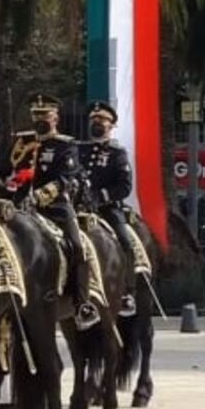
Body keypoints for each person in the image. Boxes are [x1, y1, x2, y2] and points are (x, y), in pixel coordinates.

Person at [15, 93, 99, 327]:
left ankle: (81, 303)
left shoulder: (65, 145)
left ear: (55, 117)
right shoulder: (22, 143)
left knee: (77, 247)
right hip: (20, 208)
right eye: (36, 115)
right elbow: (8, 169)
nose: (40, 119)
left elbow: (66, 177)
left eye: (45, 114)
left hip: (54, 208)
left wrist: (41, 195)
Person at [79, 101, 137, 317]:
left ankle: (127, 291)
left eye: (102, 120)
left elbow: (124, 187)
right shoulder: (79, 149)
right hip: (79, 208)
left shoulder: (117, 153)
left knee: (125, 241)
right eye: (94, 119)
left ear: (111, 125)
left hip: (107, 208)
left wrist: (100, 197)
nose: (97, 123)